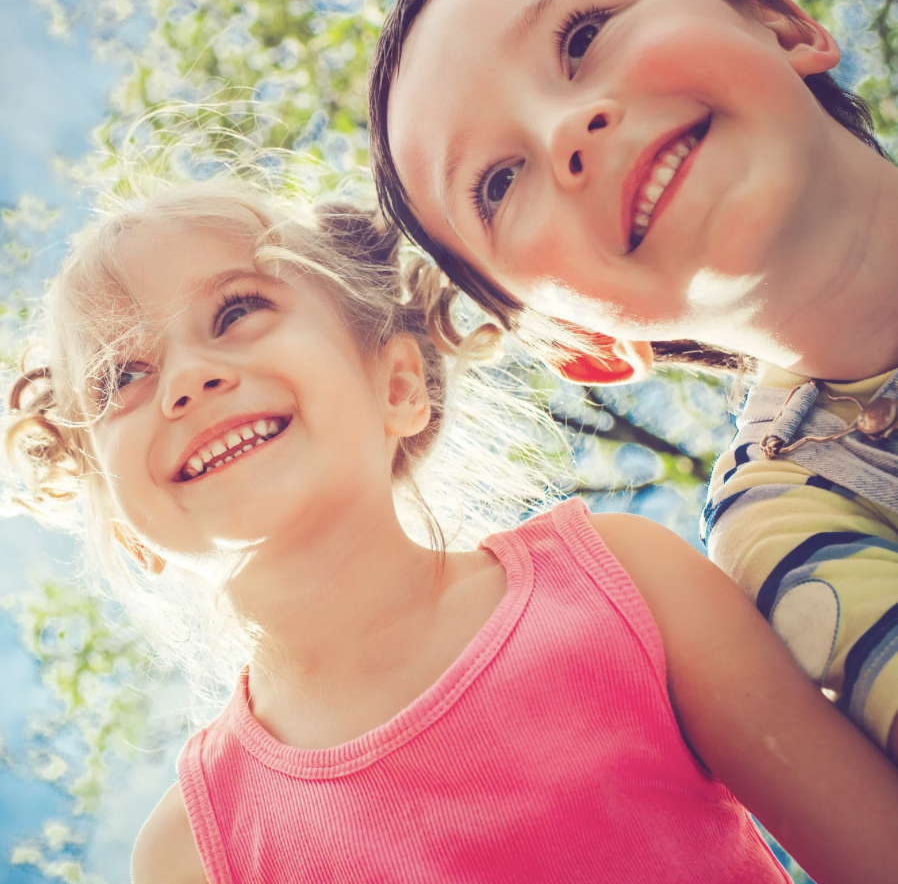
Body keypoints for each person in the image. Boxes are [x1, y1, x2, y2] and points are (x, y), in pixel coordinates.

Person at [7, 175, 898, 884]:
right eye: (121, 375)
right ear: (124, 527)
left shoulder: (622, 583)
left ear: (398, 385)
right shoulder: (191, 855)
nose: (188, 379)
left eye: (237, 312)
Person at [368, 0, 898, 761]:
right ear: (578, 342)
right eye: (498, 183)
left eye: (583, 34)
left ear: (780, 23)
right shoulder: (786, 525)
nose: (565, 130)